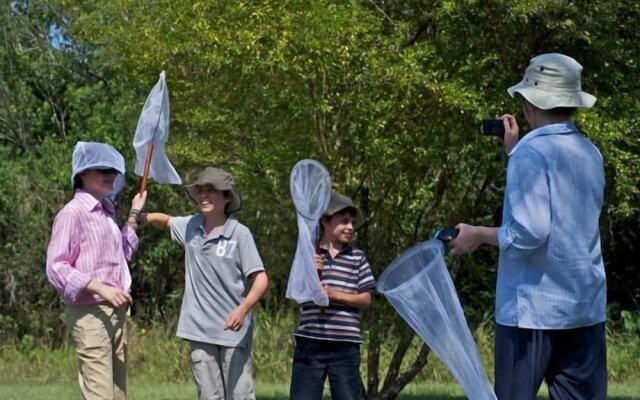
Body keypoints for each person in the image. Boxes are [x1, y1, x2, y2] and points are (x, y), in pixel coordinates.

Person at [449, 53, 607, 400]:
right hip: (584, 307)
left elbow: (530, 233)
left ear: (528, 103)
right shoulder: (589, 152)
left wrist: (478, 234)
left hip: (533, 311)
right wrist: (514, 152)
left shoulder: (530, 155)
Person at [141, 167, 268, 400]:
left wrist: (242, 309)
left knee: (240, 396)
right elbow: (167, 221)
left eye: (211, 191)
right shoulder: (191, 226)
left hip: (233, 333)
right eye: (200, 191)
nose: (204, 196)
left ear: (227, 196)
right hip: (199, 331)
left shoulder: (240, 234)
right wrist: (145, 218)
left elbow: (260, 279)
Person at [46, 141, 147, 400]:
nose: (109, 175)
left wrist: (134, 214)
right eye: (101, 169)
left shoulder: (106, 213)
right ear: (82, 174)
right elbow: (56, 267)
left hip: (117, 312)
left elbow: (121, 254)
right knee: (100, 394)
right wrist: (100, 287)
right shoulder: (72, 213)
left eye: (112, 171)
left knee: (116, 394)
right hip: (89, 313)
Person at [290, 192, 376, 400]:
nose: (350, 227)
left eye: (352, 223)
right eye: (344, 221)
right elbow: (294, 299)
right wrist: (309, 274)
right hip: (310, 342)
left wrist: (334, 295)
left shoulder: (357, 257)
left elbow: (366, 299)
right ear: (325, 221)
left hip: (345, 345)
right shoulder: (308, 252)